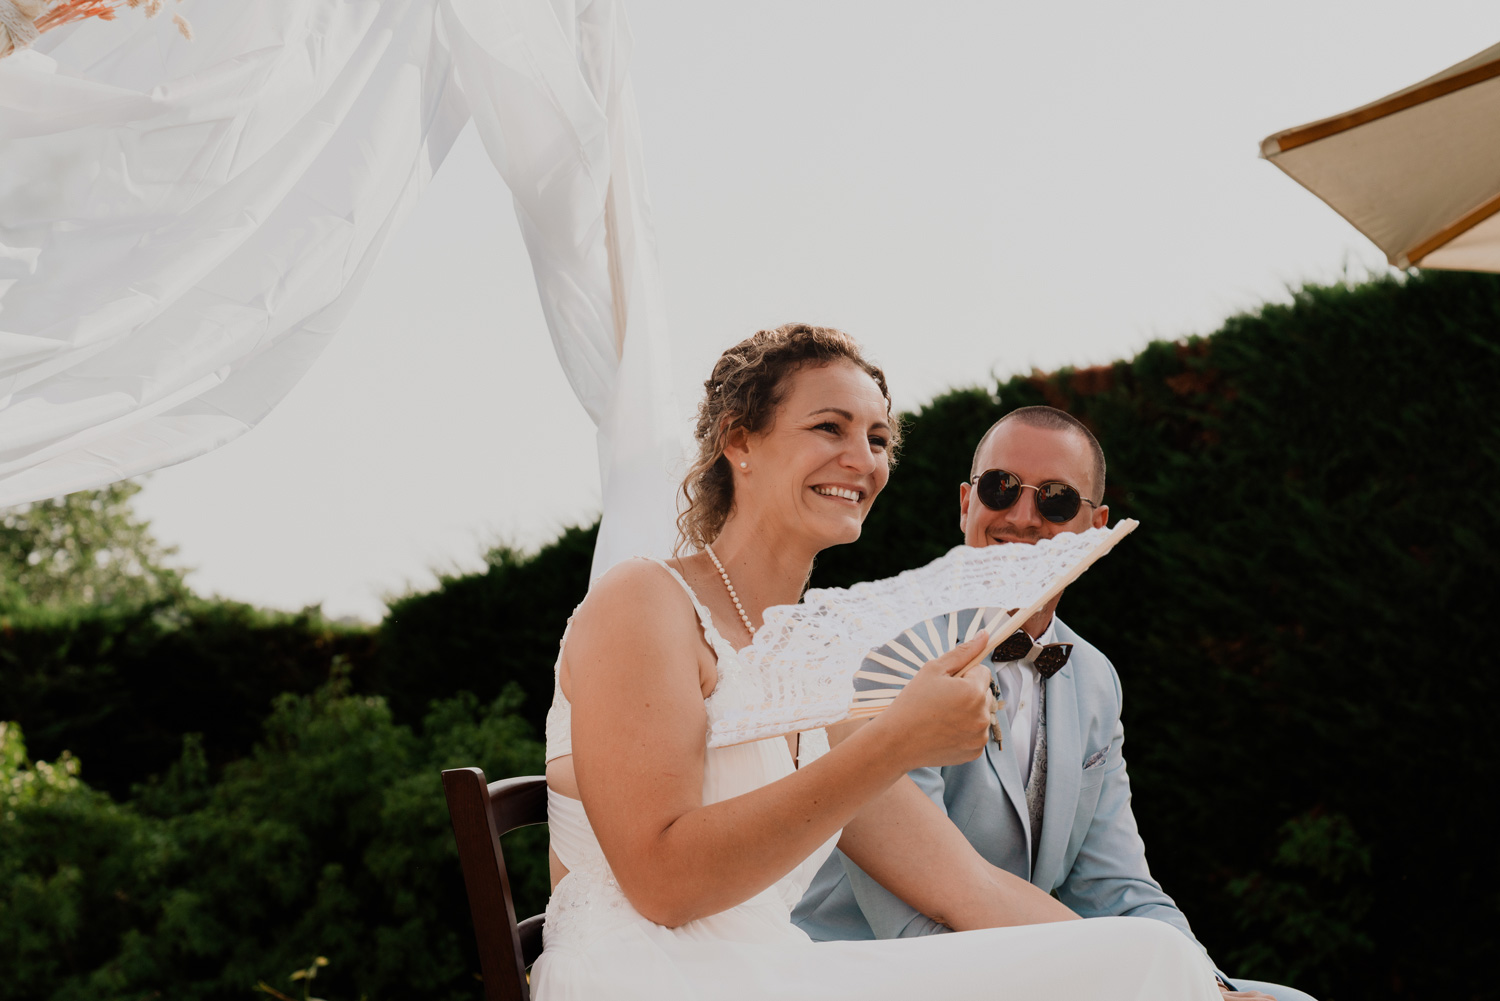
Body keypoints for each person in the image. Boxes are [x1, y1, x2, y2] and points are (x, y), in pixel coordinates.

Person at [532, 324, 1221, 1001]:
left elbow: (967, 887)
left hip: (773, 970)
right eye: (830, 428)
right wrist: (896, 741)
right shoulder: (645, 601)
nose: (863, 459)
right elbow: (663, 884)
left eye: (879, 438)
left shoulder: (812, 655)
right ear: (740, 440)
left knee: (1152, 957)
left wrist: (1158, 975)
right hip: (649, 977)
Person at [793, 406, 1315, 1001]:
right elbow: (913, 918)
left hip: (1032, 958)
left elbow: (1118, 888)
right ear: (966, 503)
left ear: (1097, 526)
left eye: (1057, 500)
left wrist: (1210, 986)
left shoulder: (1095, 678)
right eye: (1000, 488)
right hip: (883, 965)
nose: (1022, 516)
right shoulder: (892, 658)